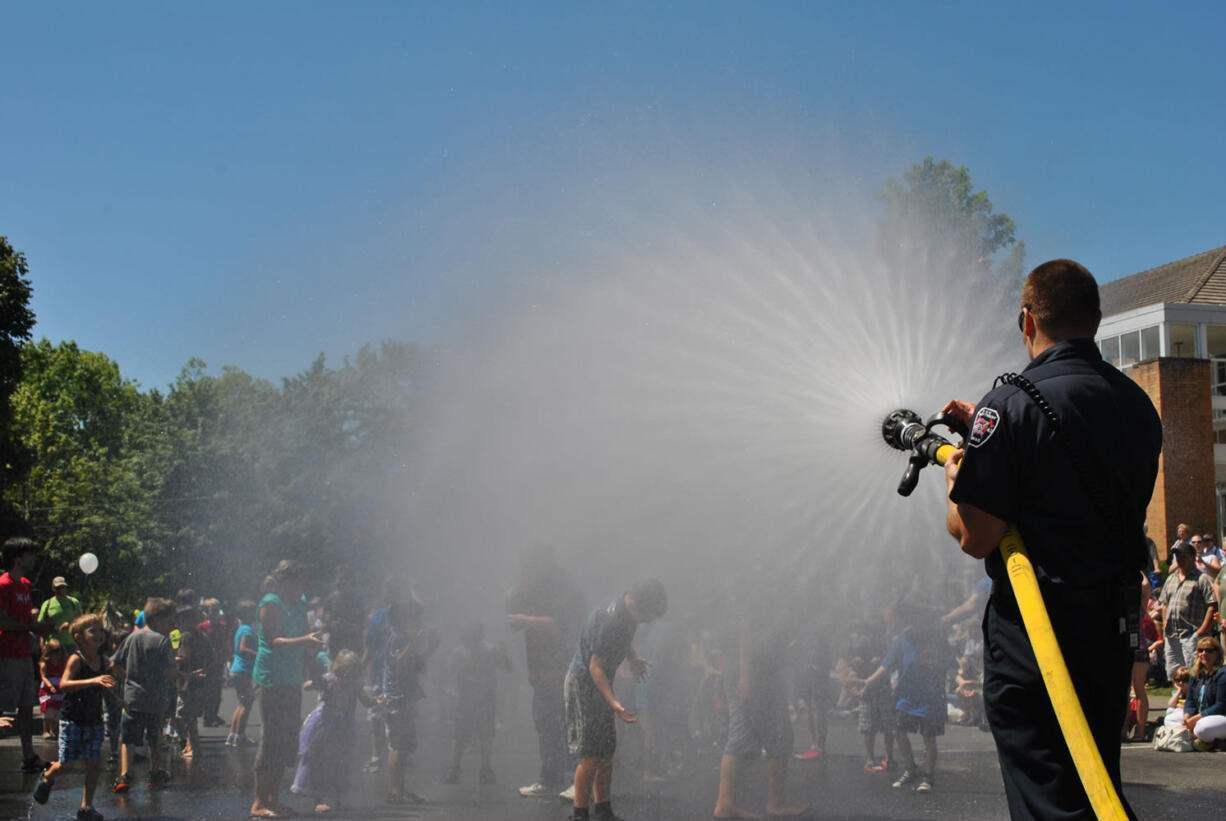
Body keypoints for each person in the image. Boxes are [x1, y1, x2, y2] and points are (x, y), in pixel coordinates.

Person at [942, 259, 1163, 819]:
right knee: (1094, 782)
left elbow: (977, 534)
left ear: (1027, 320)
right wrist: (993, 445)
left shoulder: (1010, 403)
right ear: (1095, 318)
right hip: (1109, 633)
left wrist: (958, 481)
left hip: (1038, 633)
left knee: (1048, 792)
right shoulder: (1136, 403)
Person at [566, 580, 667, 821]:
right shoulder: (613, 621)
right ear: (638, 604)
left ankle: (603, 810)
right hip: (585, 684)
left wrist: (632, 657)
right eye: (650, 614)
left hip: (599, 685)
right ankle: (580, 815)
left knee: (606, 751)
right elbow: (595, 666)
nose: (649, 620)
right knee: (591, 754)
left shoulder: (626, 609)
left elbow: (623, 640)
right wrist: (613, 701)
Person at [506, 546, 587, 798]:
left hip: (562, 665)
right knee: (544, 722)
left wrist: (526, 621)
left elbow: (563, 622)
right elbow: (511, 611)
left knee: (568, 721)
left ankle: (579, 779)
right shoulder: (532, 584)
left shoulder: (562, 584)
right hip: (540, 669)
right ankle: (549, 777)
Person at [250, 560, 326, 819]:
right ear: (286, 581)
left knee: (285, 741)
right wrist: (305, 640)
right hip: (270, 678)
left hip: (291, 679)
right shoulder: (271, 603)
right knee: (270, 739)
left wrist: (314, 670)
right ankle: (259, 802)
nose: (303, 587)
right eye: (300, 581)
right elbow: (274, 641)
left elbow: (306, 638)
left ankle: (274, 798)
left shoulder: (301, 601)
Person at [853, 612, 955, 793]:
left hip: (930, 697)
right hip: (906, 696)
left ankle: (928, 777)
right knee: (898, 731)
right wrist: (868, 681)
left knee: (928, 737)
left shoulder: (937, 636)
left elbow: (951, 663)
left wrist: (961, 682)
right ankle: (910, 769)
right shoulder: (903, 638)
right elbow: (887, 663)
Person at [31, 613, 118, 821]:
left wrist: (116, 699)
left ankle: (86, 807)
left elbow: (104, 687)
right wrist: (94, 680)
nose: (98, 634)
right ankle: (48, 776)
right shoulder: (76, 660)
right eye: (92, 630)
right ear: (78, 637)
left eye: (100, 630)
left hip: (94, 720)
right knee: (67, 765)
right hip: (72, 720)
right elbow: (64, 685)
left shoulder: (103, 661)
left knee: (93, 763)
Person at [291, 649, 376, 813]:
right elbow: (308, 685)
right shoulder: (329, 681)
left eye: (354, 675)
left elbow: (366, 701)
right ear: (339, 671)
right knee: (319, 761)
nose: (351, 679)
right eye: (348, 675)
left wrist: (376, 701)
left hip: (343, 727)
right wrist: (314, 681)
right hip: (323, 726)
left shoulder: (355, 684)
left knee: (340, 761)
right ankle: (318, 799)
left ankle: (339, 797)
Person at [110, 597, 177, 793]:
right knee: (154, 738)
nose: (172, 626)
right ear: (156, 619)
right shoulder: (162, 641)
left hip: (132, 698)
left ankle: (125, 775)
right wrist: (181, 676)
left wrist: (127, 680)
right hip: (156, 699)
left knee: (128, 738)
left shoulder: (132, 637)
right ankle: (155, 773)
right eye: (169, 621)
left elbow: (114, 664)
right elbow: (169, 673)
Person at [0, 536, 55, 773]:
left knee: (25, 706)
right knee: (5, 707)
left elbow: (26, 619)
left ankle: (28, 755)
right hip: (6, 653)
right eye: (30, 554)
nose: (34, 558)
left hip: (23, 653)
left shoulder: (24, 583)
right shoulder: (4, 585)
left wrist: (41, 626)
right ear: (17, 557)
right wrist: (33, 628)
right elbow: (3, 621)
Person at [383, 596, 439, 805]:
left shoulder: (402, 637)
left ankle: (400, 789)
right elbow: (399, 662)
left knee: (403, 745)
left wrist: (432, 647)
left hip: (404, 697)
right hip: (397, 698)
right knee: (397, 745)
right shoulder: (398, 637)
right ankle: (395, 792)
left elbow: (415, 664)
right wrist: (414, 641)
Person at [443, 622, 512, 785]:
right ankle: (457, 768)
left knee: (484, 736)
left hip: (482, 700)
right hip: (466, 700)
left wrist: (503, 654)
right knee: (462, 736)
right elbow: (449, 671)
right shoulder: (461, 652)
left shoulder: (489, 650)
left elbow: (507, 667)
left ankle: (483, 769)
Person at [1156, 543, 1217, 681]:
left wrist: (1201, 631)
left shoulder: (1202, 579)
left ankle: (1193, 701)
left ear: (1192, 557)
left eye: (1183, 555)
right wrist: (1165, 624)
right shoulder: (1172, 578)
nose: (1179, 558)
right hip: (1172, 636)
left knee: (1193, 673)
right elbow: (1165, 604)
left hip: (1191, 634)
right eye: (1177, 555)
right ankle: (1176, 700)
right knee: (1174, 674)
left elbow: (1212, 606)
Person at [1182, 636, 1226, 750]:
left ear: (1217, 653)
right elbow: (1190, 700)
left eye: (1209, 650)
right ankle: (1203, 740)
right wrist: (1187, 716)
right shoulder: (1195, 674)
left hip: (1220, 717)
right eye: (1201, 650)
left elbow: (1221, 705)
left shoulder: (1223, 674)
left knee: (1202, 728)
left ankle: (1203, 739)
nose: (1204, 653)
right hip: (1201, 716)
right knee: (1171, 717)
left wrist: (1197, 718)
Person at [227, 600, 258, 747]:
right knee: (247, 703)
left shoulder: (241, 628)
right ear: (246, 614)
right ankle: (240, 735)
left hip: (237, 669)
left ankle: (233, 734)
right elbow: (242, 648)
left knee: (241, 703)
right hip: (244, 670)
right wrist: (258, 654)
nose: (255, 614)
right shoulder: (247, 629)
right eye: (252, 611)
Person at [38, 576, 83, 653]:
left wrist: (70, 625)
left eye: (63, 587)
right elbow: (40, 625)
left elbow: (82, 621)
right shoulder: (47, 604)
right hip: (53, 645)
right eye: (58, 588)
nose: (61, 590)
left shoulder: (74, 602)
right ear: (53, 588)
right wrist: (54, 629)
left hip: (71, 644)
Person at [39, 638, 67, 738]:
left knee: (57, 712)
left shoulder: (62, 664)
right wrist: (50, 686)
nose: (56, 656)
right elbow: (43, 677)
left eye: (58, 653)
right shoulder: (45, 664)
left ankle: (53, 730)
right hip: (48, 690)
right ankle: (45, 730)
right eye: (54, 653)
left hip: (58, 690)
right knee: (49, 712)